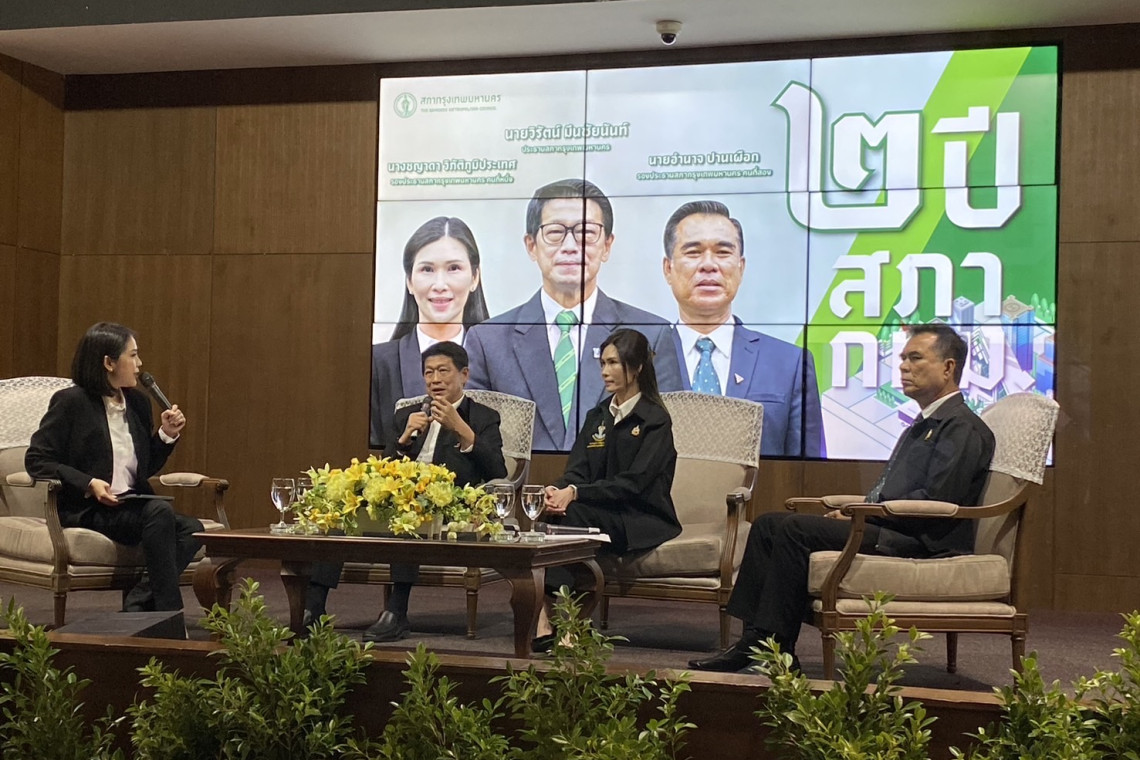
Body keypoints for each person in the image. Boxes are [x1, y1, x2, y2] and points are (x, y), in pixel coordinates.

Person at [689, 323, 995, 672]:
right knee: (768, 524)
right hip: (891, 524)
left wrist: (863, 514)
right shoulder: (926, 423)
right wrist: (860, 510)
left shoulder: (961, 427)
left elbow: (935, 501)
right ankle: (755, 641)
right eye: (902, 358)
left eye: (915, 358)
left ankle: (778, 648)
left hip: (919, 540)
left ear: (948, 367)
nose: (903, 367)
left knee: (795, 531)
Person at [308, 341, 507, 641]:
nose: (435, 379)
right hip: (398, 496)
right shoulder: (407, 414)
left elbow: (497, 470)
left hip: (447, 503)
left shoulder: (483, 417)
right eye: (429, 372)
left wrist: (461, 429)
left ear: (464, 375)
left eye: (443, 371)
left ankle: (396, 612)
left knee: (410, 515)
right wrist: (404, 439)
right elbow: (382, 468)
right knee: (341, 514)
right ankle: (313, 608)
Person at [465, 178, 683, 452]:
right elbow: (471, 438)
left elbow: (666, 441)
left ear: (607, 245)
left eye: (586, 232)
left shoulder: (652, 334)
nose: (570, 245)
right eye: (555, 232)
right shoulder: (487, 340)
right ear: (531, 245)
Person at [24, 322, 203, 615]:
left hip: (130, 506)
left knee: (192, 529)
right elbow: (37, 460)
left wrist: (166, 435)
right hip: (90, 508)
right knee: (159, 512)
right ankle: (168, 615)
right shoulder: (71, 403)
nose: (139, 364)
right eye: (132, 355)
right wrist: (88, 483)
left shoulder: (138, 403)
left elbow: (144, 468)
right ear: (108, 363)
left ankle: (137, 604)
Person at [534, 328, 681, 651]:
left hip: (640, 516)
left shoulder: (655, 420)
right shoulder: (598, 415)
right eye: (602, 363)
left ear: (637, 367)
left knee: (574, 513)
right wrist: (558, 490)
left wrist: (575, 493)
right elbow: (577, 470)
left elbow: (634, 484)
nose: (605, 371)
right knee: (553, 513)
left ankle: (554, 617)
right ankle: (557, 616)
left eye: (613, 363)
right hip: (598, 510)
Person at [662, 199, 823, 457]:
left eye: (722, 252)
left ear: (741, 267)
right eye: (693, 252)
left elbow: (809, 471)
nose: (708, 265)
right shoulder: (639, 361)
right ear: (668, 268)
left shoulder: (789, 364)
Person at [370, 216, 490, 449]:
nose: (440, 285)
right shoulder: (379, 362)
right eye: (427, 269)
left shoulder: (496, 358)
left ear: (474, 277)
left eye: (454, 268)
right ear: (409, 281)